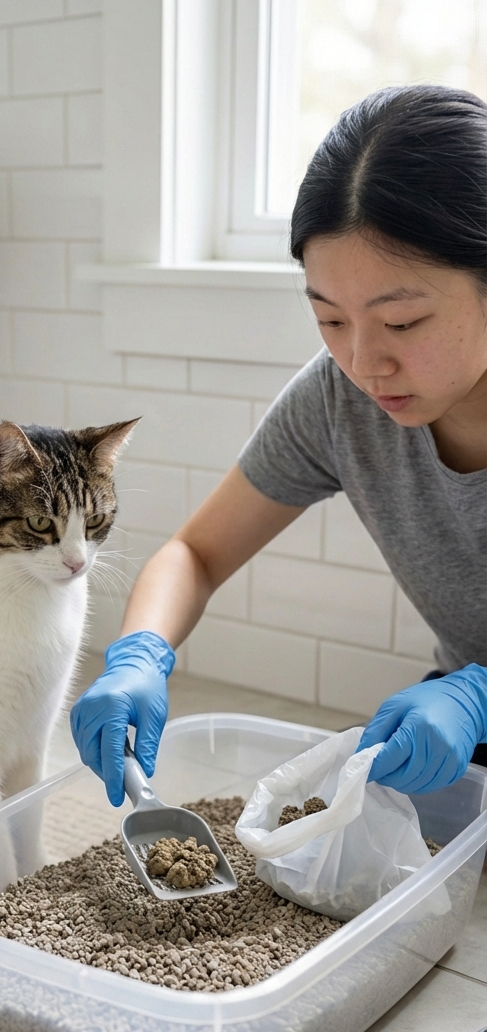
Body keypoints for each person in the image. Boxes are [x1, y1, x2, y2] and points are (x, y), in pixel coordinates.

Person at [71, 84, 487, 807]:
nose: (363, 363)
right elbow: (194, 555)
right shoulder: (338, 399)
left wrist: (480, 693)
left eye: (404, 322)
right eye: (329, 319)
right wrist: (138, 655)